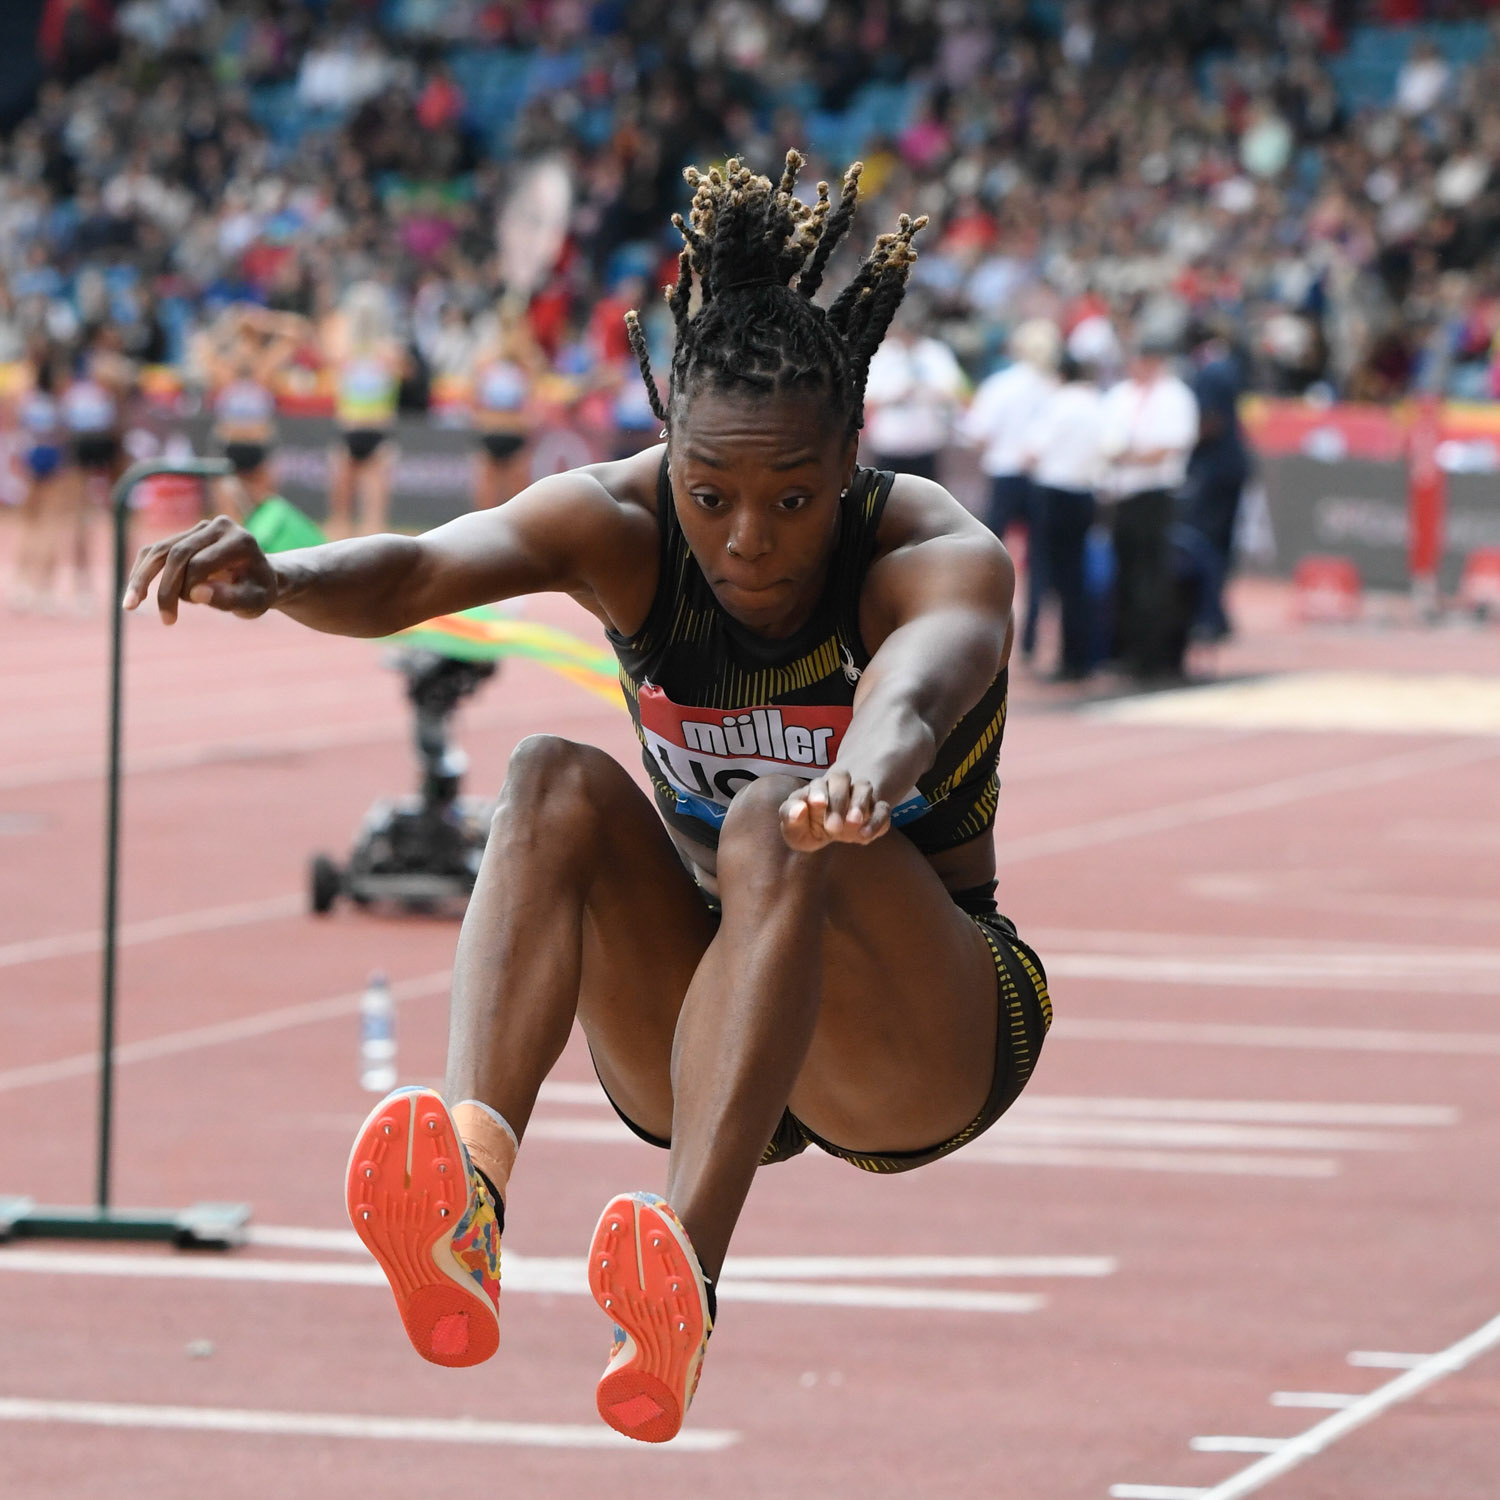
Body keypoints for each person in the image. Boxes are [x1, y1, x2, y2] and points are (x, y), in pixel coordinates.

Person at [122, 153, 1050, 1446]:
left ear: (851, 454)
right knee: (547, 779)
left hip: (921, 1036)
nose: (746, 540)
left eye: (792, 498)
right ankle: (469, 1197)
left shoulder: (933, 552)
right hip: (708, 1017)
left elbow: (916, 693)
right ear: (668, 449)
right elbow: (414, 571)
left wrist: (864, 778)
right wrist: (281, 573)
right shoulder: (618, 521)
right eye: (712, 494)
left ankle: (684, 1274)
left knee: (772, 825)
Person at [1098, 330, 1198, 682]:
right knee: (1125, 574)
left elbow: (1170, 447)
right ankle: (1125, 650)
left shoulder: (1175, 397)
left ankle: (1153, 655)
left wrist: (1130, 455)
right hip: (1122, 494)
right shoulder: (1120, 395)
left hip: (1155, 494)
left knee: (1152, 577)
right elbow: (1105, 440)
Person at [960, 319, 1061, 663]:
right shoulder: (1054, 388)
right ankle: (1031, 640)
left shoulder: (1000, 386)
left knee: (991, 558)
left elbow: (977, 432)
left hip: (1005, 475)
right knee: (1042, 561)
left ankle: (981, 634)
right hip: (1042, 479)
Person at [1026, 354, 1105, 682]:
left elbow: (1032, 451)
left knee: (1053, 578)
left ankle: (1063, 658)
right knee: (1077, 578)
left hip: (1055, 494)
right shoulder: (1097, 403)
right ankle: (1080, 656)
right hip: (1085, 494)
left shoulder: (1057, 404)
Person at [1179, 324, 1251, 641]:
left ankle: (1209, 615)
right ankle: (1216, 614)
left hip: (1213, 470)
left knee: (1203, 543)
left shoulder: (1209, 372)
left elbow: (1210, 422)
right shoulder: (1228, 366)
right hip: (1231, 465)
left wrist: (1180, 441)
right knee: (1221, 545)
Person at [324, 282, 406, 538]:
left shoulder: (388, 351)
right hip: (349, 429)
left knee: (374, 515)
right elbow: (328, 343)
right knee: (340, 513)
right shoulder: (345, 350)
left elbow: (403, 371)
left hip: (377, 432)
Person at [860, 297, 967, 481]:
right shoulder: (882, 355)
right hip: (890, 443)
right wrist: (895, 395)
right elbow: (865, 397)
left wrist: (931, 393)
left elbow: (956, 391)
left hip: (926, 443)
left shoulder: (935, 353)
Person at [467, 296, 546, 511]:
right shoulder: (486, 359)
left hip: (515, 435)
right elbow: (475, 399)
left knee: (518, 505)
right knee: (484, 504)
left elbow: (533, 400)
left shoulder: (529, 360)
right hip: (490, 432)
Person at [7, 345, 68, 612]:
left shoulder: (29, 401)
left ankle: (23, 585)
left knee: (30, 524)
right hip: (51, 459)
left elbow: (21, 433)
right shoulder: (57, 404)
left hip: (34, 458)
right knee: (49, 524)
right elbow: (63, 437)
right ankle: (43, 588)